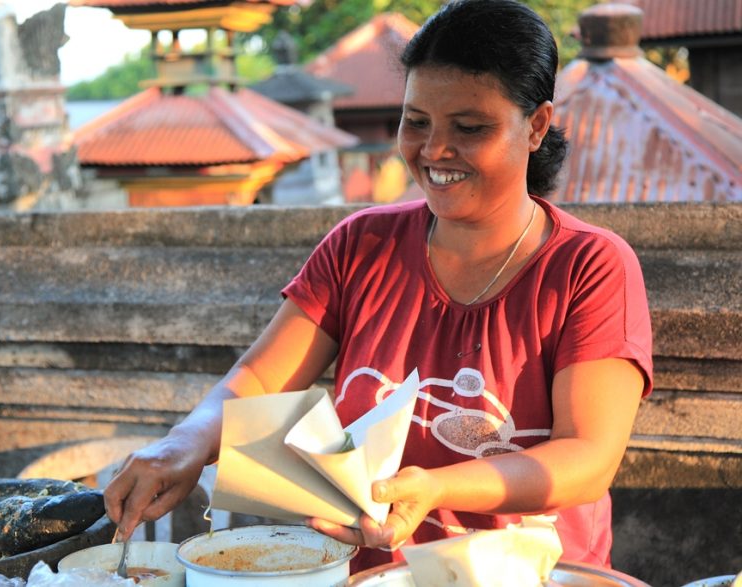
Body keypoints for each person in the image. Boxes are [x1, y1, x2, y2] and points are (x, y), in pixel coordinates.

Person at [104, 0, 652, 573]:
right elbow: (261, 380)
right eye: (416, 122)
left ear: (536, 125)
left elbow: (587, 457)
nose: (434, 150)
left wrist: (436, 488)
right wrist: (183, 444)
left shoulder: (589, 265)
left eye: (470, 128)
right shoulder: (361, 247)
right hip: (375, 574)